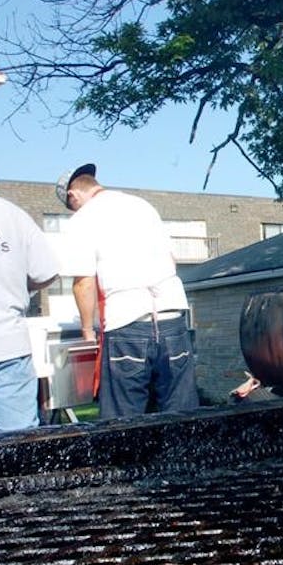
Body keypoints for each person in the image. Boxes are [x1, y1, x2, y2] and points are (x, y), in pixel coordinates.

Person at [56, 163, 198, 418]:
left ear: (73, 195)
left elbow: (84, 281)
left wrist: (88, 331)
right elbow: (171, 259)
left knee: (122, 421)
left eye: (71, 206)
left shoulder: (83, 218)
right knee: (182, 416)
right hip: (172, 317)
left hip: (128, 324)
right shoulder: (143, 206)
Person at [0, 141, 60, 431]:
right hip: (9, 347)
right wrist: (17, 287)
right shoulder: (12, 214)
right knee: (18, 452)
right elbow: (47, 272)